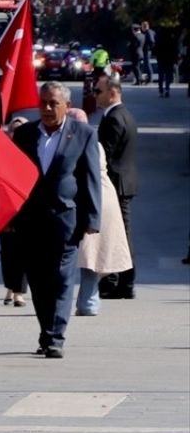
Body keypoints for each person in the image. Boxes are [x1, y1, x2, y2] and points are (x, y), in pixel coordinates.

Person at [10, 82, 101, 359]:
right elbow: (13, 176)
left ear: (67, 106)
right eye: (43, 103)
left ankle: (55, 337)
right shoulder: (25, 134)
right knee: (38, 279)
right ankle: (46, 330)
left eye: (54, 103)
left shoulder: (83, 134)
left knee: (61, 278)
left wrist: (93, 217)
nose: (48, 108)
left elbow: (90, 177)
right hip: (31, 220)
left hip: (66, 220)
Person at [63, 108, 132, 316]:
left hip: (90, 199)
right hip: (102, 197)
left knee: (84, 255)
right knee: (92, 256)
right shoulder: (96, 143)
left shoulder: (76, 143)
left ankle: (82, 302)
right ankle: (88, 302)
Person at [93, 76, 137, 300]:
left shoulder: (115, 118)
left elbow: (105, 155)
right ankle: (121, 282)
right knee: (120, 234)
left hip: (115, 184)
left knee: (118, 236)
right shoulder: (122, 114)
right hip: (123, 183)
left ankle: (122, 283)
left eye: (98, 91)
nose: (95, 95)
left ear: (112, 93)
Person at [0, 117, 31, 308]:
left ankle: (19, 292)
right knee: (7, 252)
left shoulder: (32, 152)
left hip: (26, 211)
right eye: (14, 129)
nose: (17, 133)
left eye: (21, 129)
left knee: (22, 252)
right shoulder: (2, 153)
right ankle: (10, 287)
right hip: (5, 211)